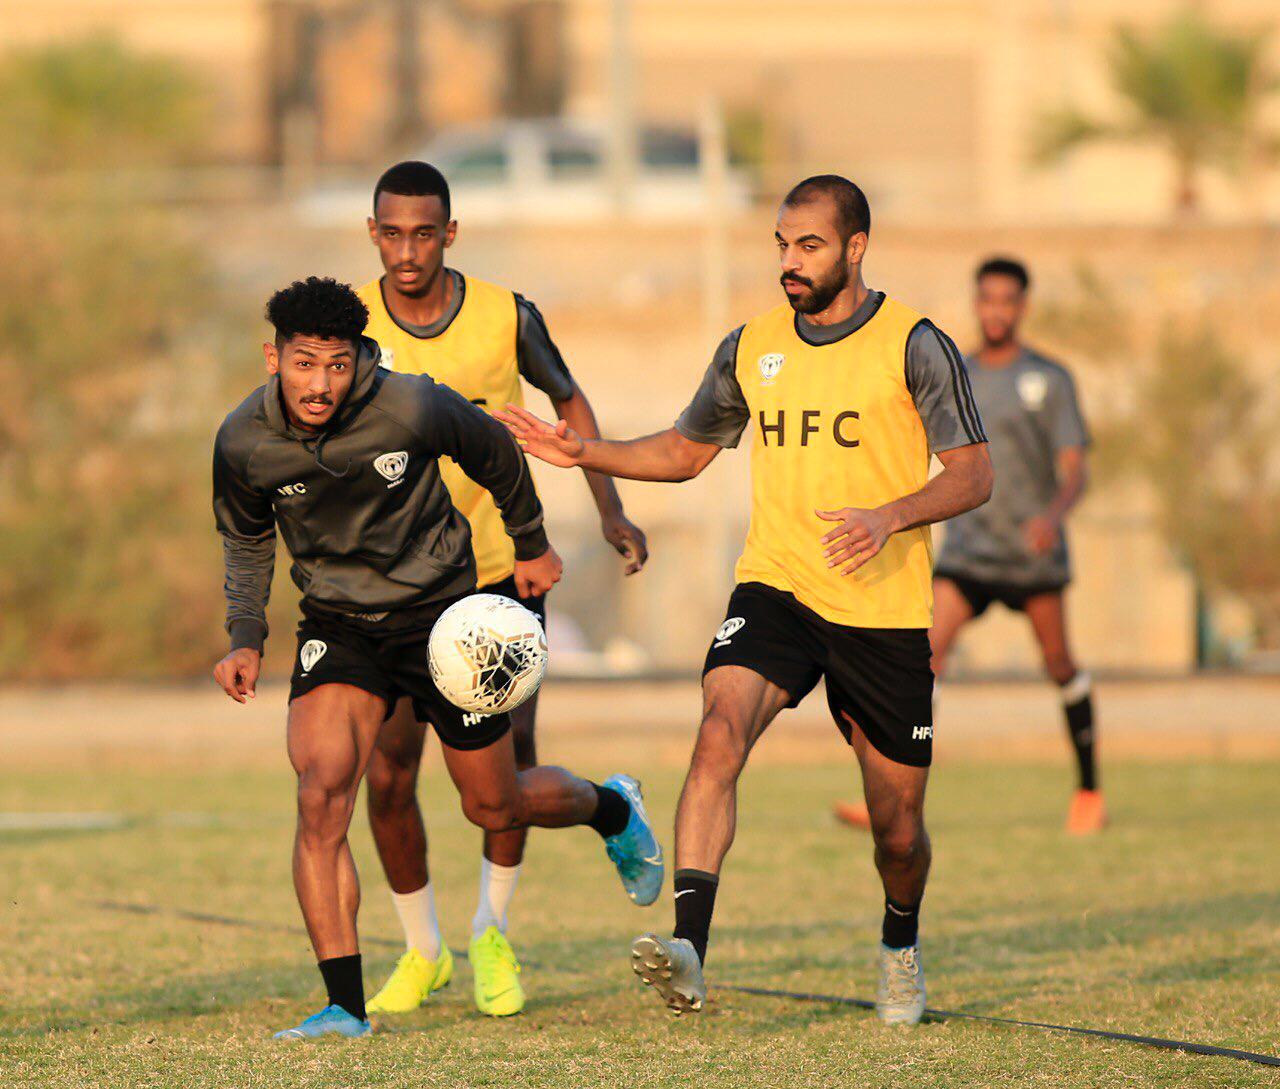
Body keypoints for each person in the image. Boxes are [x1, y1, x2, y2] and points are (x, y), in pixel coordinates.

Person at [500, 176, 992, 1023]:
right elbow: (687, 452)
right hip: (777, 586)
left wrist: (891, 515)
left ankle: (901, 943)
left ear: (856, 247)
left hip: (879, 610)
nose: (789, 263)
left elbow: (975, 473)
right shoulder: (751, 346)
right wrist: (586, 450)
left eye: (809, 246)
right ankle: (690, 947)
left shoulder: (915, 344)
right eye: (781, 245)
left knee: (897, 831)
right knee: (717, 732)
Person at [211, 276, 663, 1041]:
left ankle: (612, 805)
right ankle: (343, 1006)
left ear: (360, 357)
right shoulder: (241, 440)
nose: (320, 384)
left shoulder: (412, 402)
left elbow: (495, 454)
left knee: (494, 804)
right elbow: (247, 537)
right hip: (339, 626)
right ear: (272, 358)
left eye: (336, 364)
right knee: (323, 792)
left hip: (442, 619)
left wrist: (531, 545)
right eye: (303, 365)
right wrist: (245, 634)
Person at [356, 161, 649, 1018]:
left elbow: (570, 400)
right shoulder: (353, 323)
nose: (408, 250)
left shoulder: (504, 313)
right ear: (372, 233)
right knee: (387, 774)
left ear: (451, 233)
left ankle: (492, 930)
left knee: (505, 775)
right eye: (392, 232)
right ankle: (422, 948)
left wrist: (609, 506)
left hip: (496, 575)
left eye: (424, 232)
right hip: (391, 585)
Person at [834, 256, 1101, 836]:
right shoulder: (958, 373)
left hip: (1031, 555)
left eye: (1008, 300)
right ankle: (891, 797)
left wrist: (1053, 516)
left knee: (1059, 665)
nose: (997, 310)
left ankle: (1088, 788)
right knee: (923, 661)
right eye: (988, 300)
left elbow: (1075, 469)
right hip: (970, 553)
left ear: (1022, 307)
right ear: (977, 303)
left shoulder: (1050, 380)